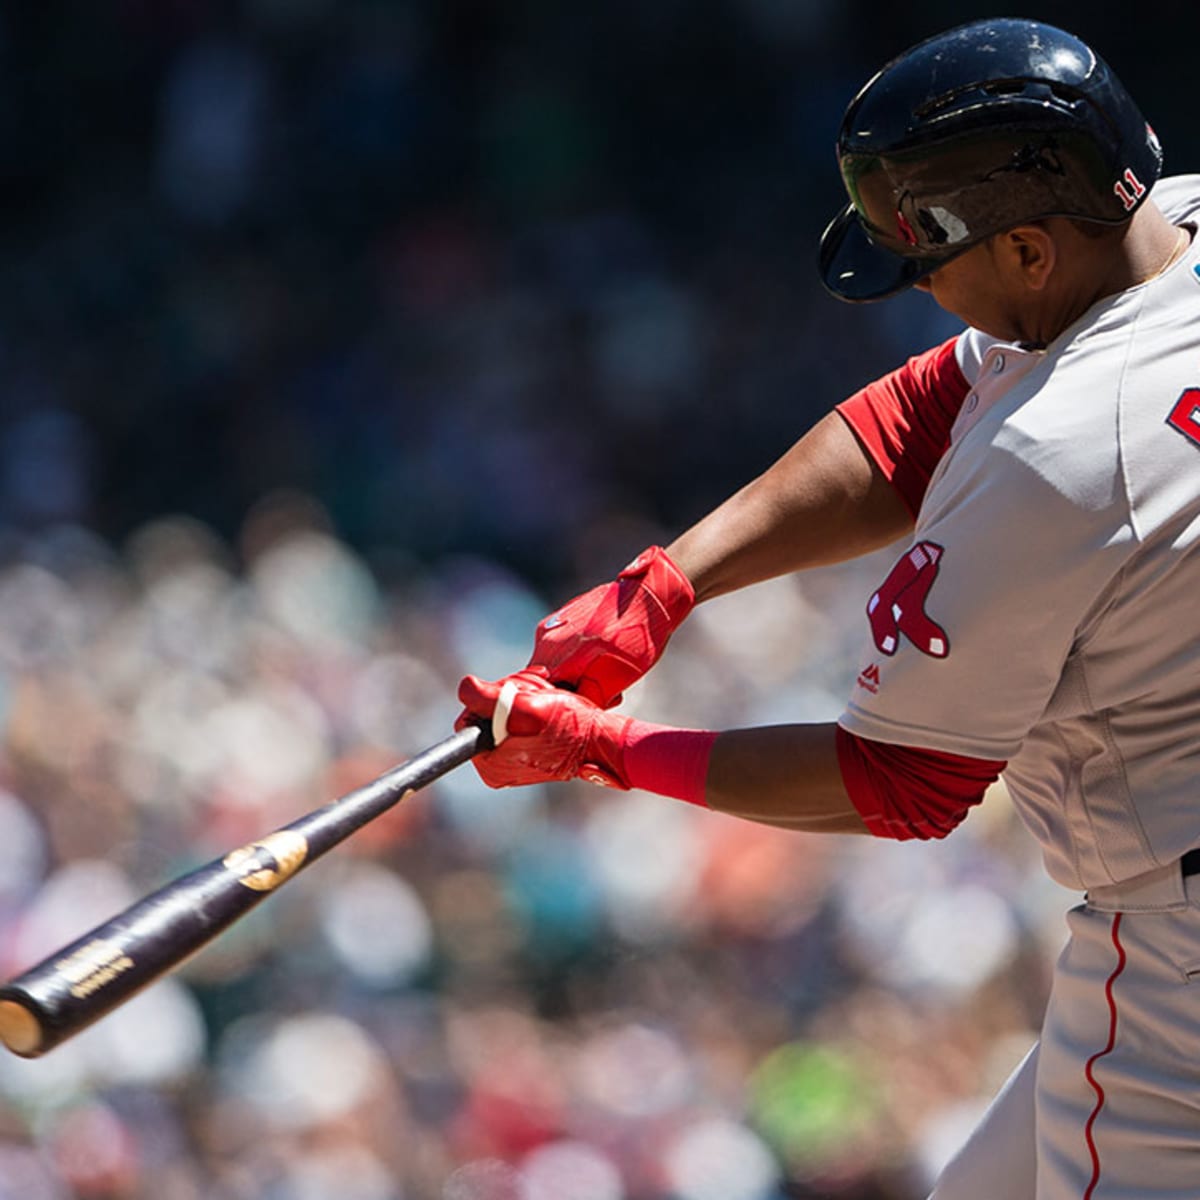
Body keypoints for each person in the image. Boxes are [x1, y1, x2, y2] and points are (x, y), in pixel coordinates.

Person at [455, 17, 1200, 1198]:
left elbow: (901, 785)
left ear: (1029, 255)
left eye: (932, 261)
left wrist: (609, 754)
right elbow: (924, 411)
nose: (920, 294)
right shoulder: (1168, 231)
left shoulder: (1065, 454)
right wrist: (671, 581)